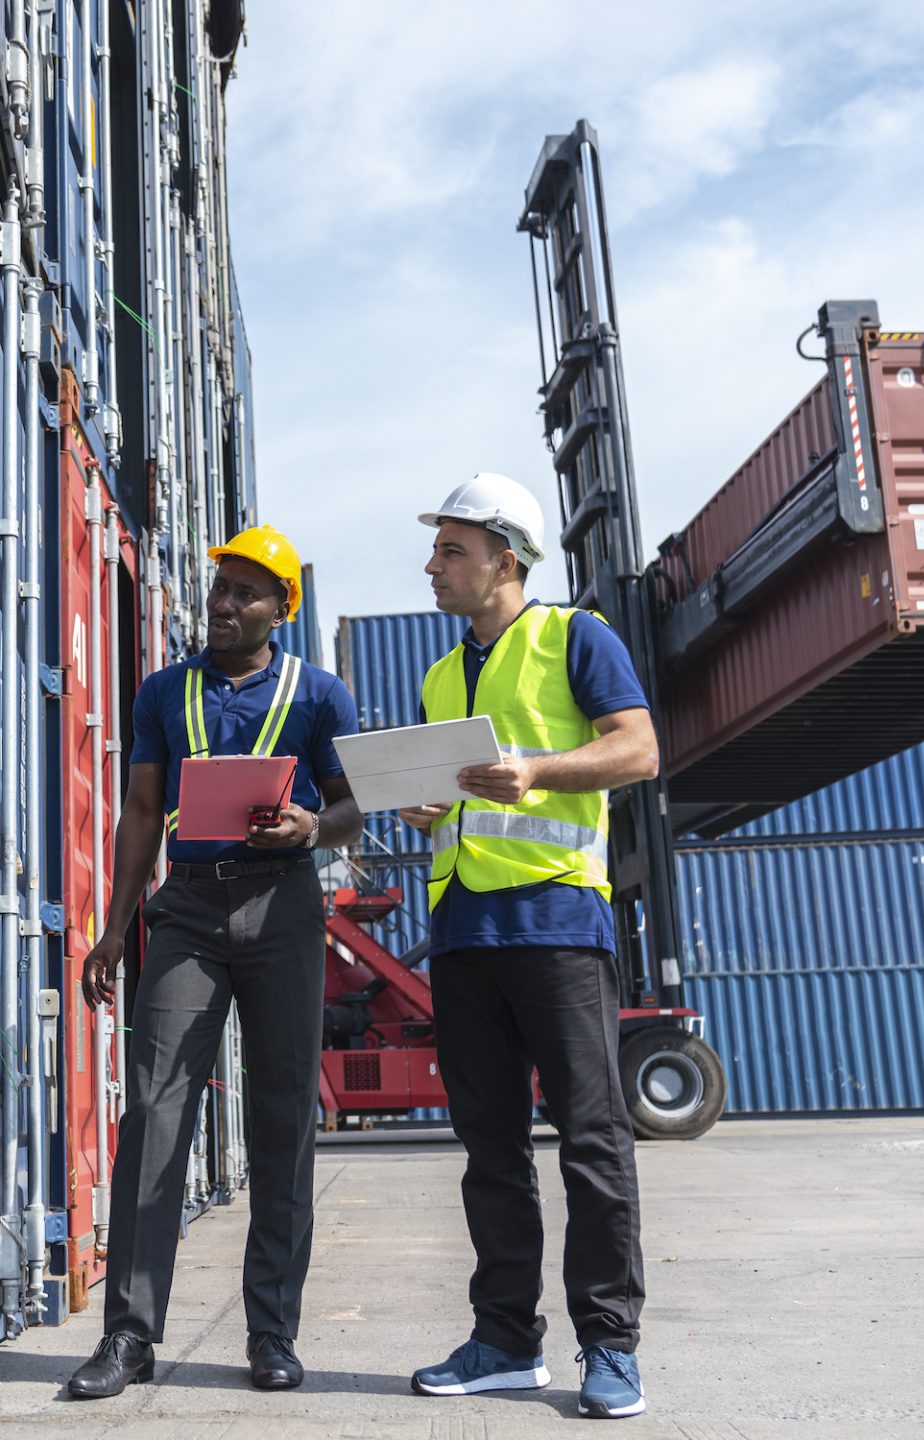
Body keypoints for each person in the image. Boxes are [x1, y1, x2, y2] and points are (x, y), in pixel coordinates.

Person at [66, 525, 363, 1399]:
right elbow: (141, 810)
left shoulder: (321, 695)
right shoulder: (164, 692)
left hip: (284, 906)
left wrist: (311, 827)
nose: (224, 604)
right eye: (219, 589)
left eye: (244, 593)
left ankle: (272, 1333)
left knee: (282, 1120)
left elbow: (352, 808)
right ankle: (128, 1336)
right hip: (189, 909)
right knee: (154, 1114)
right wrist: (115, 927)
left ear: (281, 608)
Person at [400, 473, 660, 1420]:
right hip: (463, 930)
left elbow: (638, 750)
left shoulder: (575, 637)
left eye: (452, 550)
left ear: (504, 559)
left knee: (591, 1139)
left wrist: (538, 770)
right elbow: (455, 794)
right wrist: (429, 804)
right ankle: (507, 1341)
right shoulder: (439, 675)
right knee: (490, 1150)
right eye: (436, 550)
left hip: (556, 922)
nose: (433, 566)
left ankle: (610, 1345)